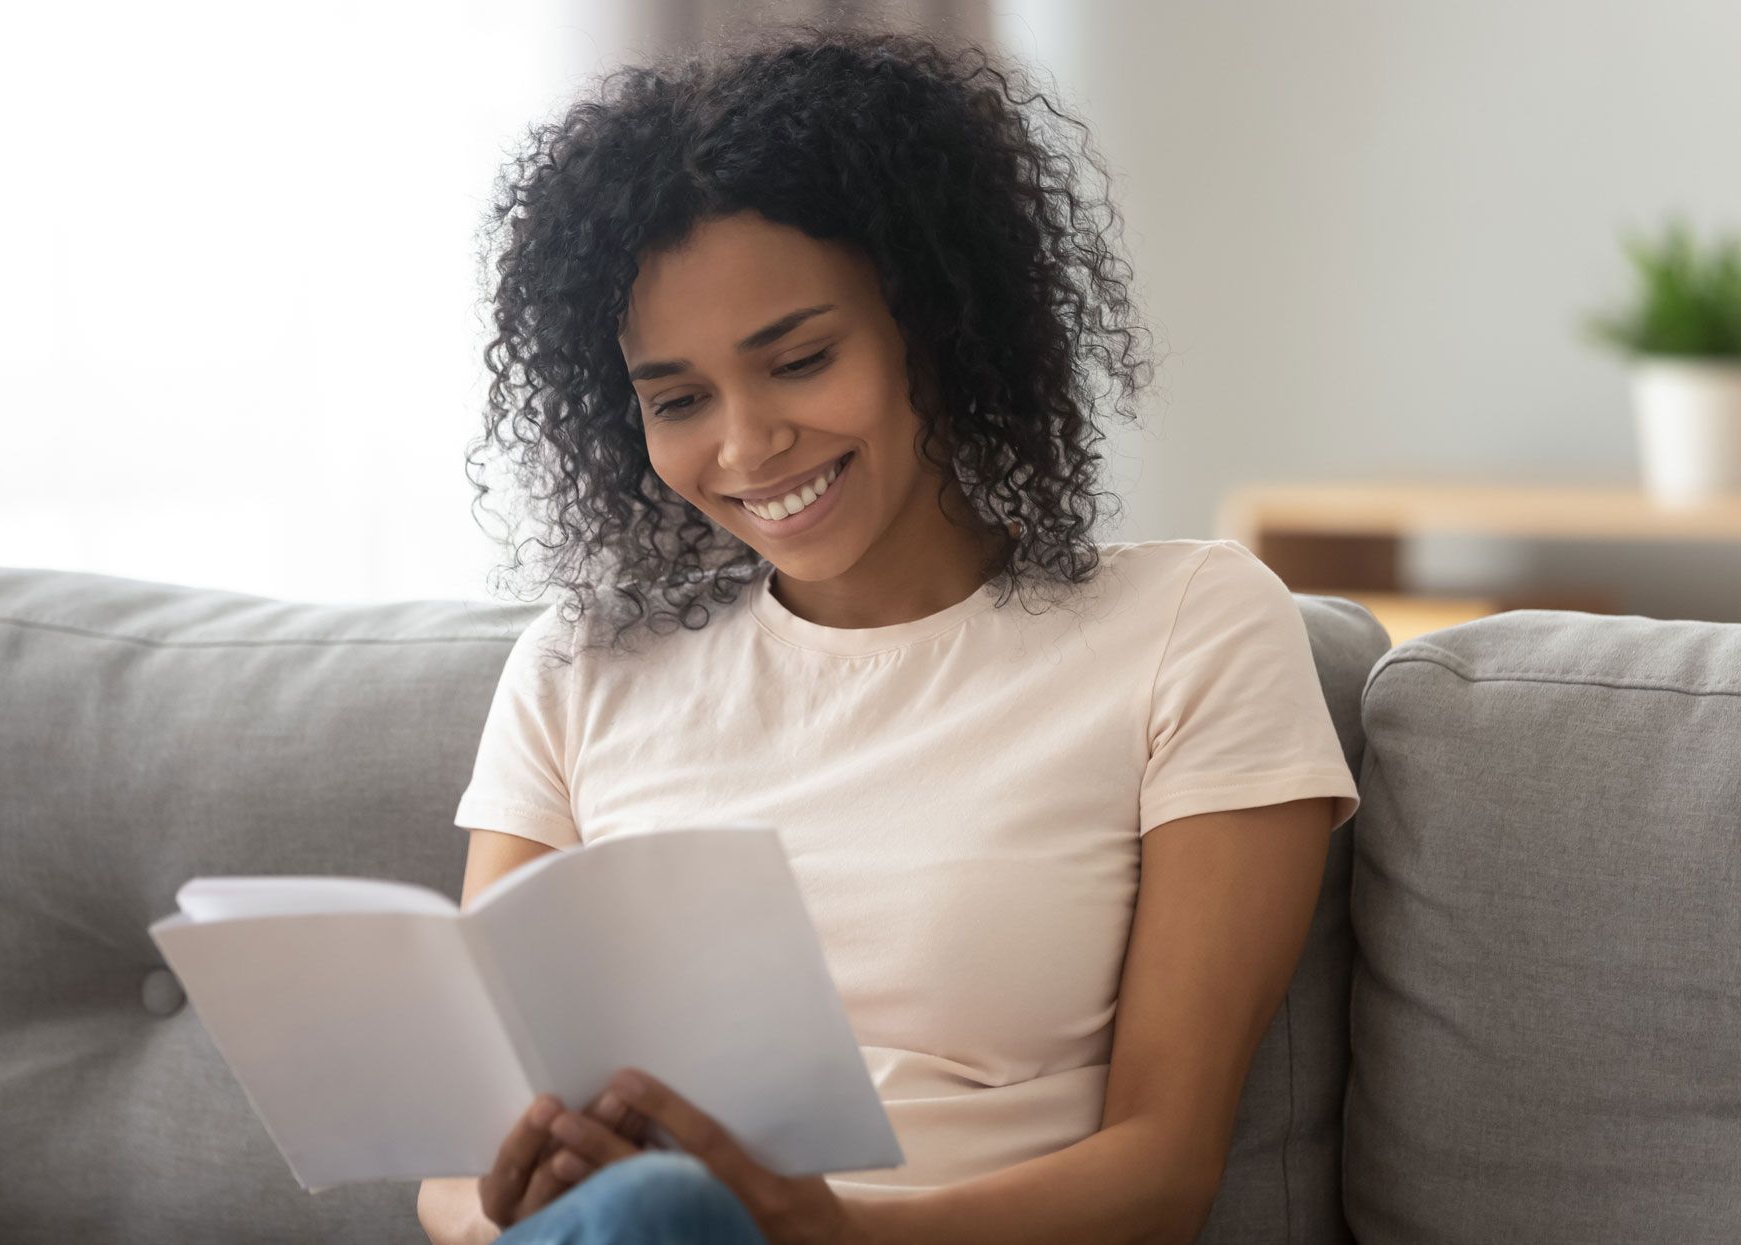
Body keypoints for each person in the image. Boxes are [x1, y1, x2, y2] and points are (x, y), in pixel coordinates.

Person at [418, 19, 1361, 1245]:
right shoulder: (581, 665)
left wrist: (832, 1232)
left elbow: (1161, 1173)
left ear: (936, 322)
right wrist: (502, 1201)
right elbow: (454, 1165)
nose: (748, 447)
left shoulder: (1190, 629)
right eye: (680, 400)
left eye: (801, 360)